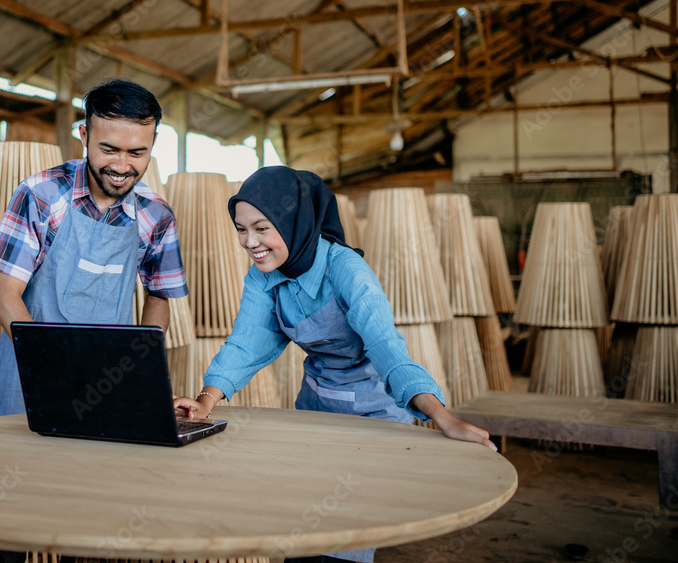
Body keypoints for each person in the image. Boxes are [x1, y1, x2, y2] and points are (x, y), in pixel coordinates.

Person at [173, 166, 494, 563]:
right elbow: (245, 343)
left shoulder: (346, 270)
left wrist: (441, 417)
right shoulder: (263, 277)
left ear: (295, 222)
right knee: (301, 530)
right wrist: (206, 400)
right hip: (317, 409)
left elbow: (387, 348)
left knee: (346, 537)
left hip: (376, 413)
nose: (249, 242)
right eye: (241, 229)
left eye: (261, 228)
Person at [0, 78, 188, 418]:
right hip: (29, 377)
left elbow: (158, 298)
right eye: (109, 150)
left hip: (107, 385)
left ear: (153, 142)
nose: (122, 167)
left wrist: (140, 370)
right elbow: (4, 297)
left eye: (137, 153)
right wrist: (60, 371)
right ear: (84, 135)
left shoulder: (156, 215)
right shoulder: (42, 195)